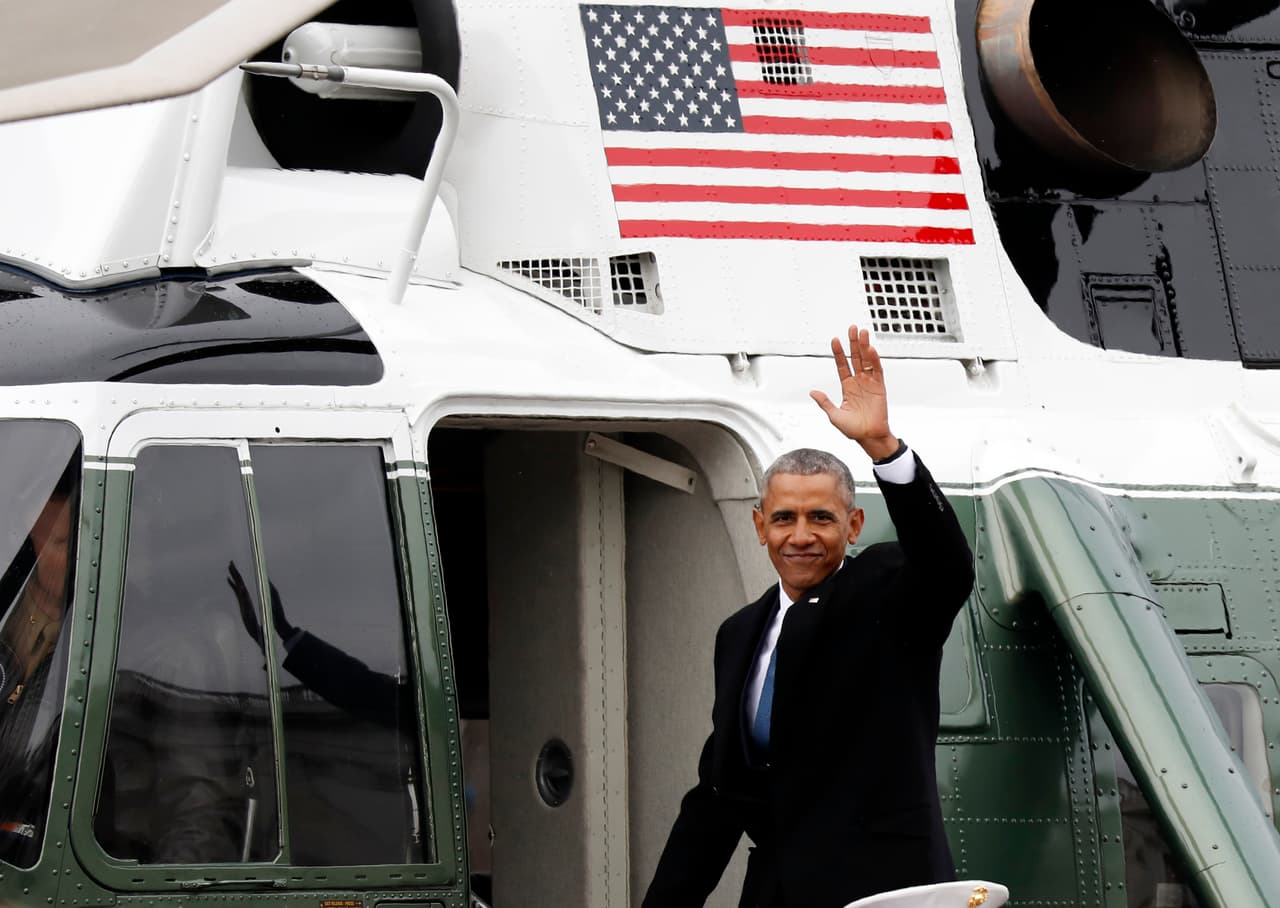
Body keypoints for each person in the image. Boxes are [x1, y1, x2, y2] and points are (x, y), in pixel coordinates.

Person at [642, 325, 975, 908]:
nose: (800, 537)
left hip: (884, 893)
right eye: (784, 519)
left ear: (852, 527)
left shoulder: (886, 592)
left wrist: (885, 451)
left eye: (820, 519)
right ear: (759, 526)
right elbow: (721, 795)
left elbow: (946, 568)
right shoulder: (739, 633)